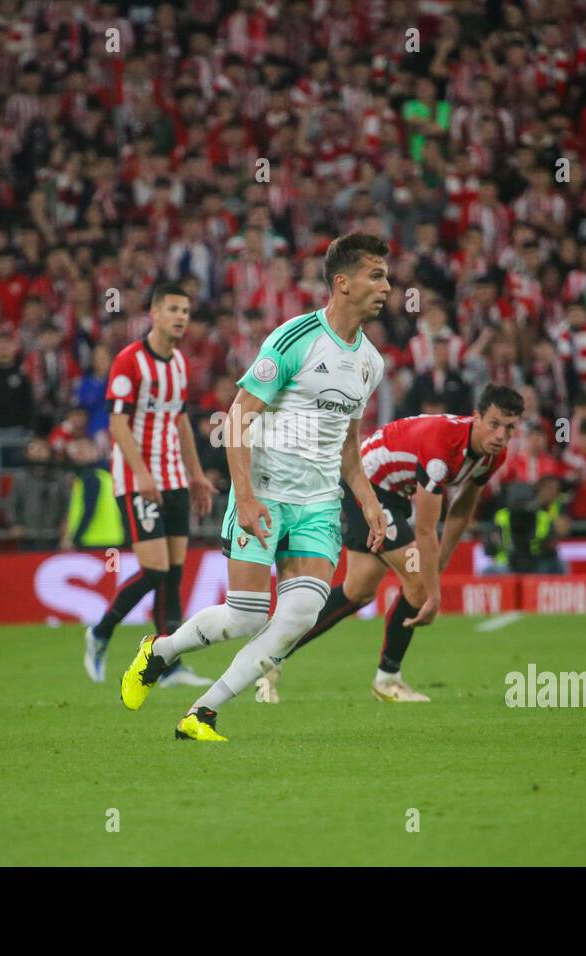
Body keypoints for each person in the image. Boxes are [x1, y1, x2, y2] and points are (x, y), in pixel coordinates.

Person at [118, 232, 390, 742]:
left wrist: (370, 503)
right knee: (245, 617)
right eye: (375, 275)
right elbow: (238, 418)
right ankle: (158, 652)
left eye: (385, 276)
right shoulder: (293, 340)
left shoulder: (370, 363)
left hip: (317, 505)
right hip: (262, 492)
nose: (386, 286)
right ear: (342, 283)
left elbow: (348, 449)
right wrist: (242, 495)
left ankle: (202, 712)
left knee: (299, 616)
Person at [256, 384, 524, 704]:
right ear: (476, 418)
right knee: (418, 583)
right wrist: (433, 591)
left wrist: (440, 562)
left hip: (392, 496)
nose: (501, 435)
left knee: (358, 590)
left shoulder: (492, 454)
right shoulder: (442, 449)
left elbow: (463, 509)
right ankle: (388, 679)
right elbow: (425, 530)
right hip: (367, 488)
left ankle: (270, 655)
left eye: (509, 428)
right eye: (494, 424)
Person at [82, 283, 216, 688]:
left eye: (186, 311)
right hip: (137, 478)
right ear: (154, 313)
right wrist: (141, 473)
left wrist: (195, 474)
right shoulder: (129, 361)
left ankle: (168, 665)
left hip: (174, 476)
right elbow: (118, 423)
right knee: (155, 568)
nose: (181, 317)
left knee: (173, 573)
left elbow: (180, 421)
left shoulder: (178, 363)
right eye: (173, 309)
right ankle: (100, 632)